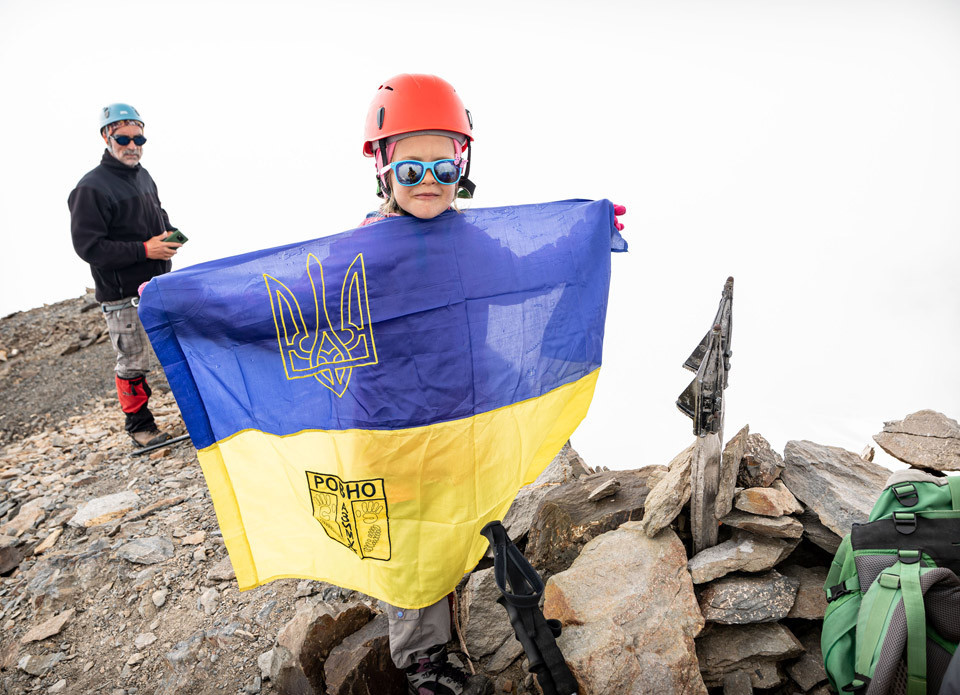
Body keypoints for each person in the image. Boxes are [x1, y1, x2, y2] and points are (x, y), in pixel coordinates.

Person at [360, 74, 490, 695]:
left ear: (463, 162)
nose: (429, 180)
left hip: (461, 413)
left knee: (456, 515)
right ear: (383, 167)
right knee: (409, 539)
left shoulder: (472, 239)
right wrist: (182, 302)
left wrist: (590, 235)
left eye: (444, 163)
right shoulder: (361, 249)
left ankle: (465, 588)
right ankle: (424, 663)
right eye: (411, 169)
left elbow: (529, 270)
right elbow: (288, 303)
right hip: (392, 427)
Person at [69, 103, 181, 448]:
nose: (133, 145)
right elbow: (90, 248)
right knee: (133, 363)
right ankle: (140, 427)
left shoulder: (143, 176)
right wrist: (145, 250)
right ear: (107, 136)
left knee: (176, 352)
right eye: (123, 138)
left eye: (139, 137)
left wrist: (173, 237)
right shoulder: (90, 188)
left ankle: (193, 412)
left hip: (158, 288)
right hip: (122, 298)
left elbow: (159, 217)